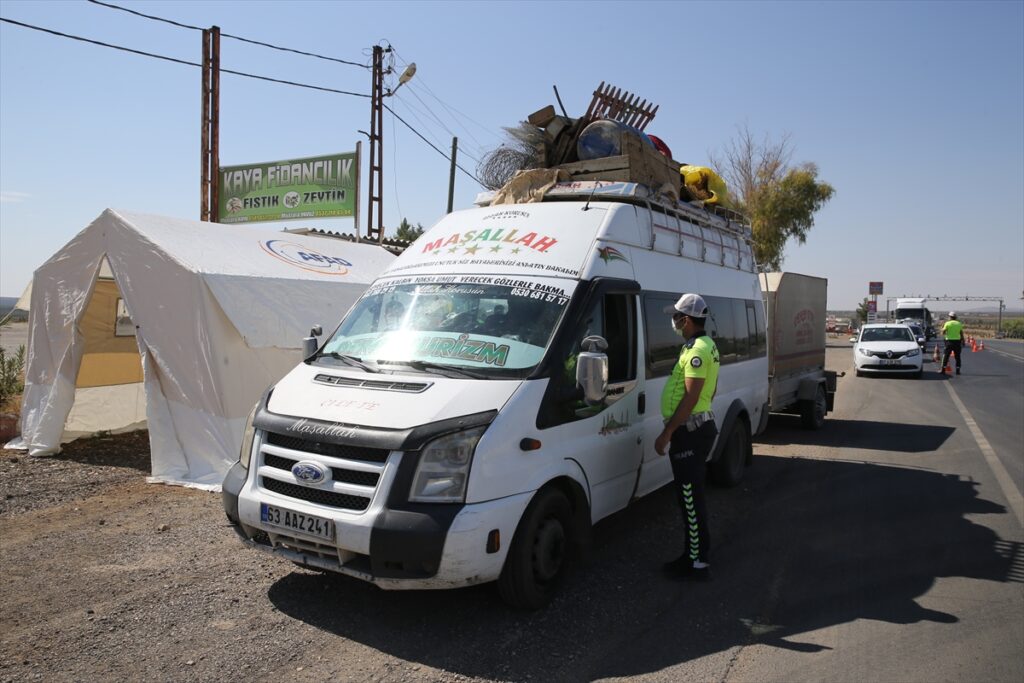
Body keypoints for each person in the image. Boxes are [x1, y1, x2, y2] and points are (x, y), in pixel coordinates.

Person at [655, 293, 720, 581]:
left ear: (687, 320)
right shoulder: (703, 345)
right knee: (690, 498)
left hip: (689, 434)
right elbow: (710, 391)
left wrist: (667, 432)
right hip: (694, 429)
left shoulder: (698, 350)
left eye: (676, 316)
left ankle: (697, 563)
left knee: (691, 500)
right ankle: (693, 556)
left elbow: (692, 396)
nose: (674, 321)